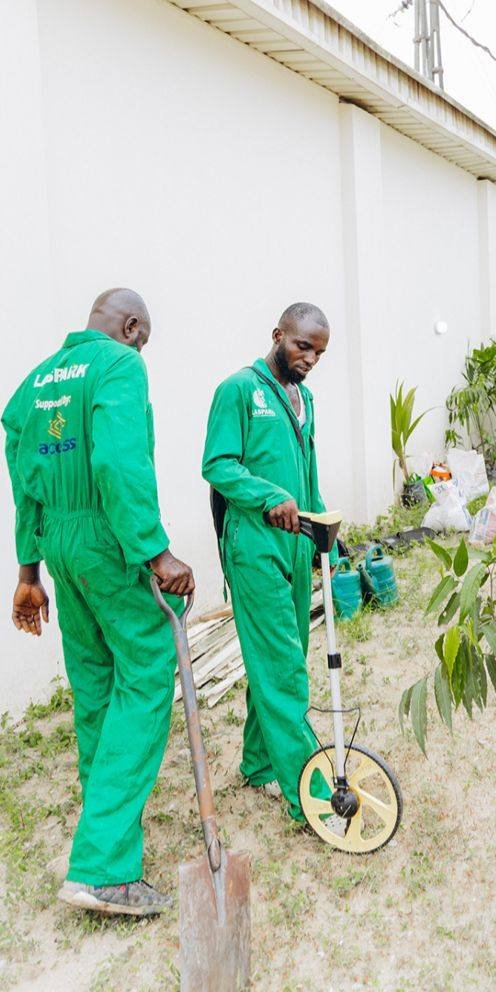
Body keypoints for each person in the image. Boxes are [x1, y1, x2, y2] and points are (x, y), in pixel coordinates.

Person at [1, 289, 194, 917]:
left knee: (94, 682)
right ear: (131, 326)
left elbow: (23, 476)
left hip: (59, 543)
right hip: (106, 540)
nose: (143, 351)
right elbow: (118, 460)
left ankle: (102, 820)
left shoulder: (35, 384)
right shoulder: (118, 364)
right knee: (145, 674)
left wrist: (30, 568)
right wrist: (155, 552)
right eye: (145, 340)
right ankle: (104, 866)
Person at [202, 303, 337, 824]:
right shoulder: (238, 390)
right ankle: (310, 794)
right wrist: (266, 495)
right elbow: (217, 464)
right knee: (283, 669)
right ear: (278, 335)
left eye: (319, 353)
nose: (309, 359)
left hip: (298, 542)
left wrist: (324, 526)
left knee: (286, 653)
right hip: (255, 546)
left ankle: (258, 762)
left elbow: (308, 471)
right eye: (303, 346)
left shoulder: (304, 398)